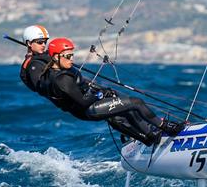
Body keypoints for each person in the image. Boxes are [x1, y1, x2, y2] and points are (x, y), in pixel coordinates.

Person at [41, 37, 185, 146]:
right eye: (67, 56)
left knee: (123, 108)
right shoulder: (61, 79)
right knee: (135, 102)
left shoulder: (65, 68)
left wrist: (103, 91)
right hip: (88, 110)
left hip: (89, 106)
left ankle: (149, 136)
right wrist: (100, 94)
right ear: (55, 57)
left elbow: (84, 86)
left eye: (72, 55)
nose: (71, 59)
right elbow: (83, 101)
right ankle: (166, 127)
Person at [19, 24, 51, 93]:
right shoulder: (31, 62)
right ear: (29, 43)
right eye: (40, 42)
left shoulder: (43, 56)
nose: (43, 45)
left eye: (45, 42)